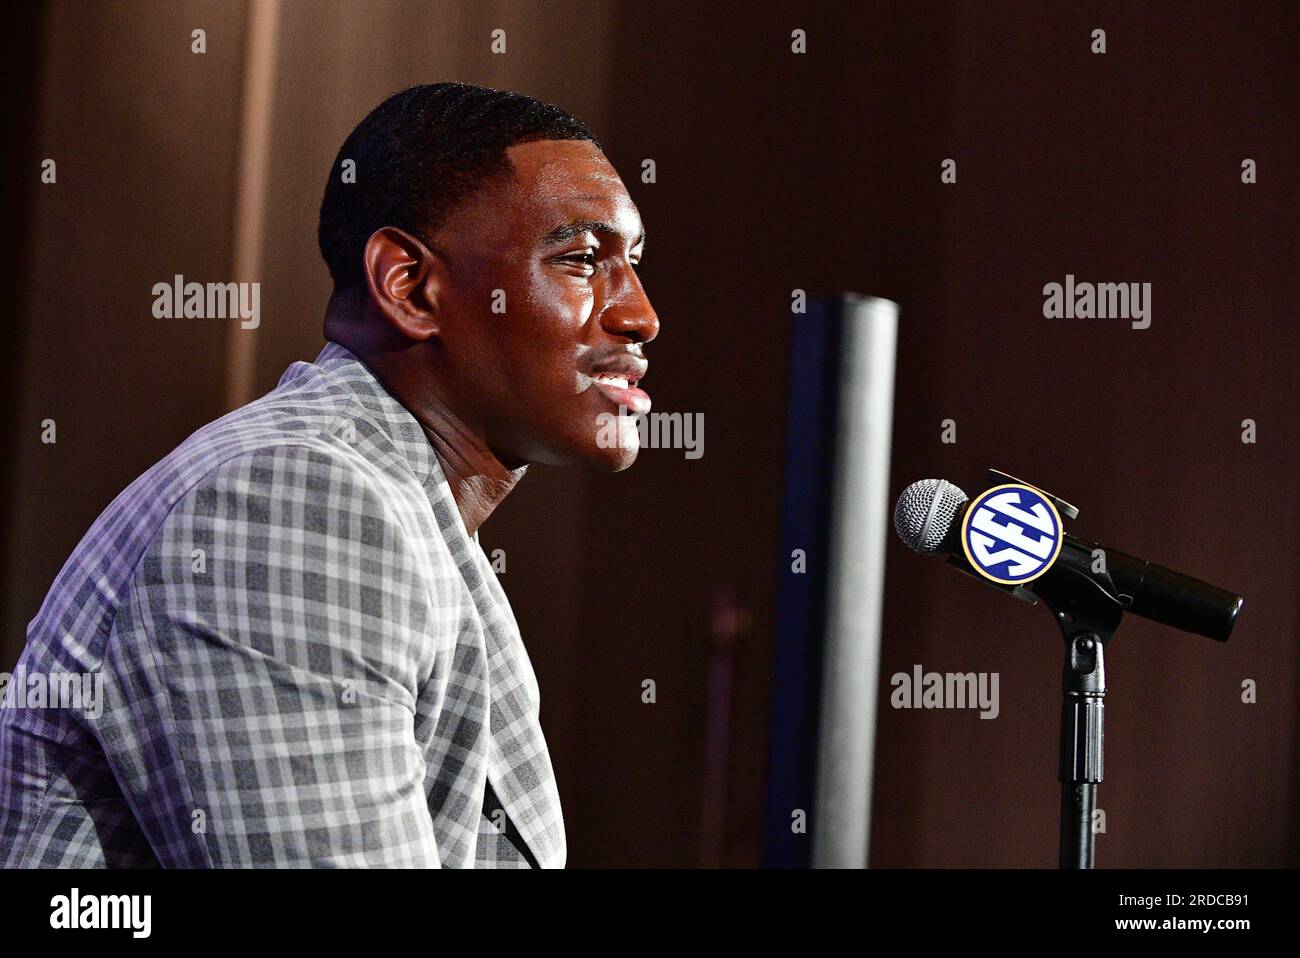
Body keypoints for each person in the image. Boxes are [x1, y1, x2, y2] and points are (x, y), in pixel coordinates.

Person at [0, 81, 659, 867]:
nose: (640, 315)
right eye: (584, 259)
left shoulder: (405, 507)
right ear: (411, 287)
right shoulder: (295, 502)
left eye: (636, 263)